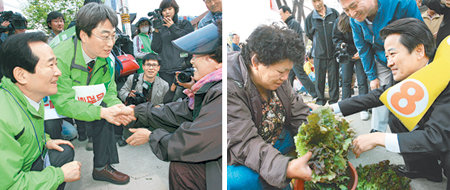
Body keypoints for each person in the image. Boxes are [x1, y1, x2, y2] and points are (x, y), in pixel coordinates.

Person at [329, 18, 449, 186]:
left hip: (444, 136)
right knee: (397, 114)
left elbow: (437, 137)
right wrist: (330, 110)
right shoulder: (409, 74)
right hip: (439, 129)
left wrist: (380, 138)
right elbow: (377, 95)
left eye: (392, 54)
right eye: (386, 56)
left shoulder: (446, 72)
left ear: (419, 51)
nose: (389, 62)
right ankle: (424, 169)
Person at [125, 22, 222, 190]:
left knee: (183, 169)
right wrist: (138, 111)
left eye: (197, 55)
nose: (191, 61)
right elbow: (182, 111)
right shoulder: (208, 88)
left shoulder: (220, 93)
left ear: (219, 63)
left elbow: (193, 141)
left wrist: (151, 136)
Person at [50, 3, 135, 185]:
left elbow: (108, 90)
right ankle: (51, 177)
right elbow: (63, 102)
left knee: (108, 117)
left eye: (113, 36)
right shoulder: (58, 57)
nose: (110, 43)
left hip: (82, 93)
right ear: (83, 35)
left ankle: (101, 167)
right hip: (51, 101)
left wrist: (116, 107)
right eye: (104, 37)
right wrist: (102, 112)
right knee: (53, 136)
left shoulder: (107, 57)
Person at [227, 25, 313, 189]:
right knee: (240, 181)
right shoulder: (231, 87)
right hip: (244, 149)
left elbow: (298, 112)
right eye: (281, 71)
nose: (286, 77)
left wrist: (313, 141)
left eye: (288, 71)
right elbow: (244, 143)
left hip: (277, 136)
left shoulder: (278, 78)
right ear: (256, 62)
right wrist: (286, 168)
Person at [0, 32, 81, 189]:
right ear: (21, 75)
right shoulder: (3, 118)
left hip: (29, 163)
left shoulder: (32, 97)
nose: (58, 72)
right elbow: (9, 186)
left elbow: (26, 131)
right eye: (51, 65)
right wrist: (60, 175)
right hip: (15, 180)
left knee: (64, 150)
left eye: (56, 64)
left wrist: (46, 141)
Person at [339, 0, 422, 133]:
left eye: (353, 6)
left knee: (410, 91)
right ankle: (377, 130)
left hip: (407, 57)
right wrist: (372, 76)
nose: (352, 13)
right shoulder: (354, 20)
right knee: (379, 91)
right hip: (381, 58)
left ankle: (416, 130)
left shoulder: (401, 3)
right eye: (346, 10)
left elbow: (420, 34)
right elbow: (363, 48)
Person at [332, 12, 369, 120]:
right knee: (346, 81)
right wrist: (341, 45)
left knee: (362, 80)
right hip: (346, 53)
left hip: (360, 52)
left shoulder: (358, 18)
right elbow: (335, 38)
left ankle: (364, 108)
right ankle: (344, 107)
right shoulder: (338, 21)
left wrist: (362, 51)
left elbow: (367, 36)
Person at [151, 0, 194, 87]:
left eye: (170, 9)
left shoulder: (184, 24)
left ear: (175, 10)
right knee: (169, 98)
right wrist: (156, 31)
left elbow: (189, 40)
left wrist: (172, 27)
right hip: (165, 70)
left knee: (186, 95)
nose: (167, 12)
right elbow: (155, 48)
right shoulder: (161, 28)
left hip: (183, 68)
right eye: (164, 10)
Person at [305, 0, 339, 105]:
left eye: (318, 0)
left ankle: (334, 101)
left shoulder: (334, 13)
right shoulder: (310, 18)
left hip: (333, 53)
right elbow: (309, 34)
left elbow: (339, 30)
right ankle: (320, 100)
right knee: (319, 79)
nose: (317, 3)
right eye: (314, 1)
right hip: (318, 54)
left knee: (334, 78)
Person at [280, 5, 318, 99]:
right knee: (290, 76)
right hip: (293, 54)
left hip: (295, 54)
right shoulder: (290, 23)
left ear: (287, 12)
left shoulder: (293, 23)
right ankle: (288, 95)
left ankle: (315, 93)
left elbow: (292, 40)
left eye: (281, 14)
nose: (280, 16)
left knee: (300, 74)